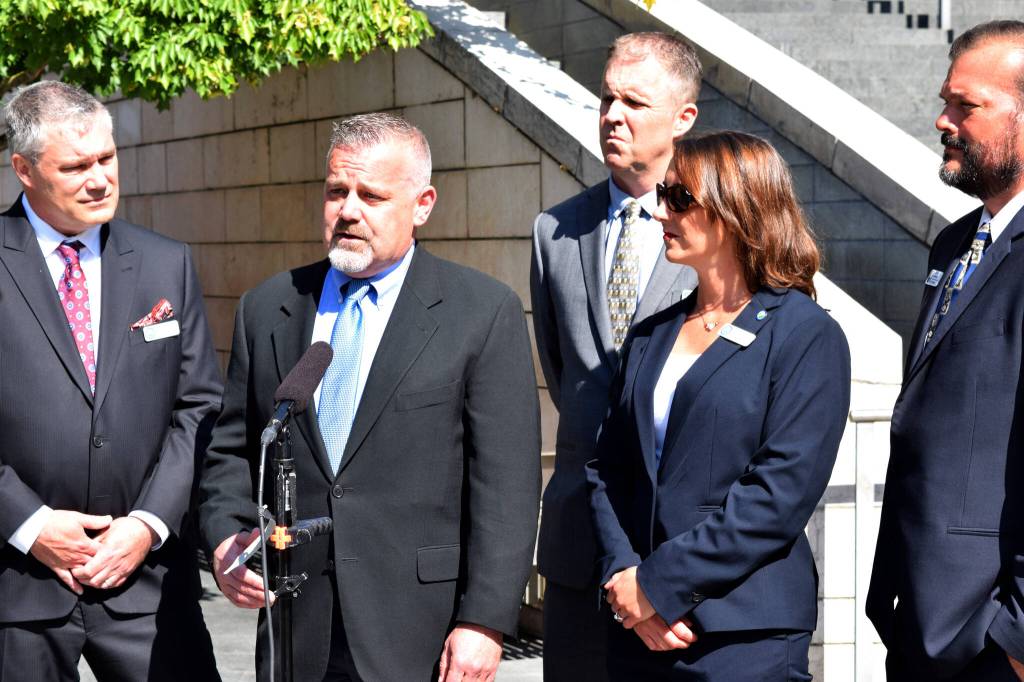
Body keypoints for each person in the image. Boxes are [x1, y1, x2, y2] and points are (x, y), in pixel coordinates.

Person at [198, 112, 541, 681]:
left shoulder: (480, 312)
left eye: (372, 196)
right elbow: (231, 449)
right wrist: (227, 539)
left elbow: (505, 484)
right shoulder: (268, 307)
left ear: (422, 205)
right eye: (337, 191)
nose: (348, 211)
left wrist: (484, 622)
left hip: (419, 631)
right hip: (294, 626)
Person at [587, 131, 850, 680]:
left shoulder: (805, 335)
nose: (661, 211)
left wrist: (659, 585)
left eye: (680, 198)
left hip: (741, 633)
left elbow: (776, 498)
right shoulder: (651, 334)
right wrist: (626, 580)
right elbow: (607, 471)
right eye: (662, 193)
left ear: (736, 209)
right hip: (636, 628)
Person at [0, 81, 221, 680]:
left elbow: (198, 405)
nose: (99, 179)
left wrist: (147, 525)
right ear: (23, 169)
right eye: (75, 166)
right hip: (16, 589)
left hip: (147, 583)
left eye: (107, 158)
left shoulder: (165, 262)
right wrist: (31, 524)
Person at [530, 32, 700, 679]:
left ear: (683, 118)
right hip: (577, 547)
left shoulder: (721, 231)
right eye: (606, 98)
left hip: (677, 547)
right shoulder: (554, 232)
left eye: (634, 100)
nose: (612, 115)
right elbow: (565, 372)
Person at [867, 20, 1024, 681]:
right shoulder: (954, 244)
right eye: (945, 101)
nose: (942, 120)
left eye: (967, 106)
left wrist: (1014, 636)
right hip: (921, 621)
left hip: (990, 641)